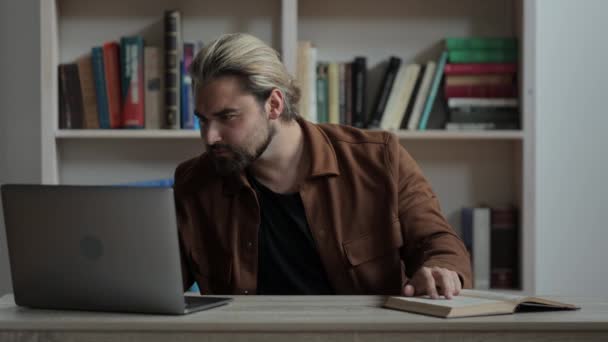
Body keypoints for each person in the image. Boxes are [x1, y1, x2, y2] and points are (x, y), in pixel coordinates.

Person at [173, 33, 472, 298]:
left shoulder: (379, 159)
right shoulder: (194, 182)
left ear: (274, 105)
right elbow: (162, 279)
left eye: (227, 117)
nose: (210, 137)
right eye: (203, 120)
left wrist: (440, 269)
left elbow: (438, 241)